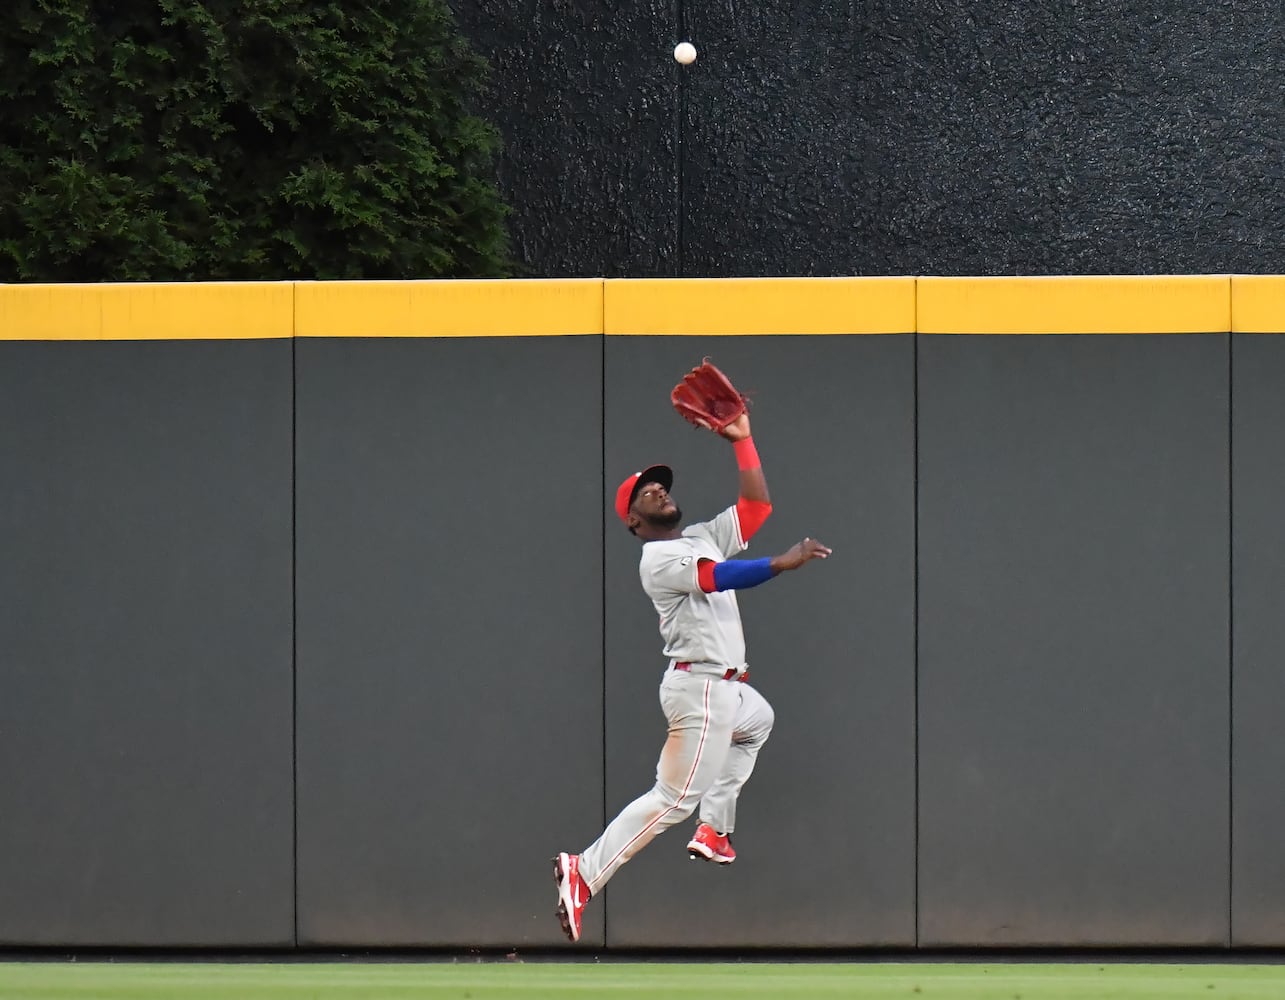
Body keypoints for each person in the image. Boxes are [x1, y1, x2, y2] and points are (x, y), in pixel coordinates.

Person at [552, 410, 832, 943]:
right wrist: (781, 563)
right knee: (672, 799)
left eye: (659, 484)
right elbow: (715, 576)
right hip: (699, 688)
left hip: (727, 687)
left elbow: (756, 506)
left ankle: (715, 828)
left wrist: (744, 440)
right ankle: (583, 871)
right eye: (644, 492)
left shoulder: (703, 534)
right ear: (632, 521)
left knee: (758, 722)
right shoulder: (655, 558)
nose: (656, 490)